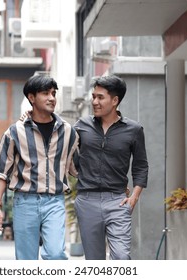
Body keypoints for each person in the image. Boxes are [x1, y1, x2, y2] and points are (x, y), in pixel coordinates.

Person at [0, 74, 79, 260]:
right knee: (26, 259)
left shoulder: (69, 132)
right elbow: (1, 172)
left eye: (54, 93)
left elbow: (77, 169)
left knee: (56, 255)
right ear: (31, 98)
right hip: (25, 202)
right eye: (45, 93)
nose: (52, 98)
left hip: (55, 201)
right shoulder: (14, 132)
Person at [73, 74, 148, 260]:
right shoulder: (81, 126)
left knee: (121, 257)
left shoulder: (134, 130)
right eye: (93, 97)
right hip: (87, 200)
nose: (94, 102)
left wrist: (134, 197)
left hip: (117, 200)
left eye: (100, 97)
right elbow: (66, 153)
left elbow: (141, 165)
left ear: (115, 100)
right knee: (94, 261)